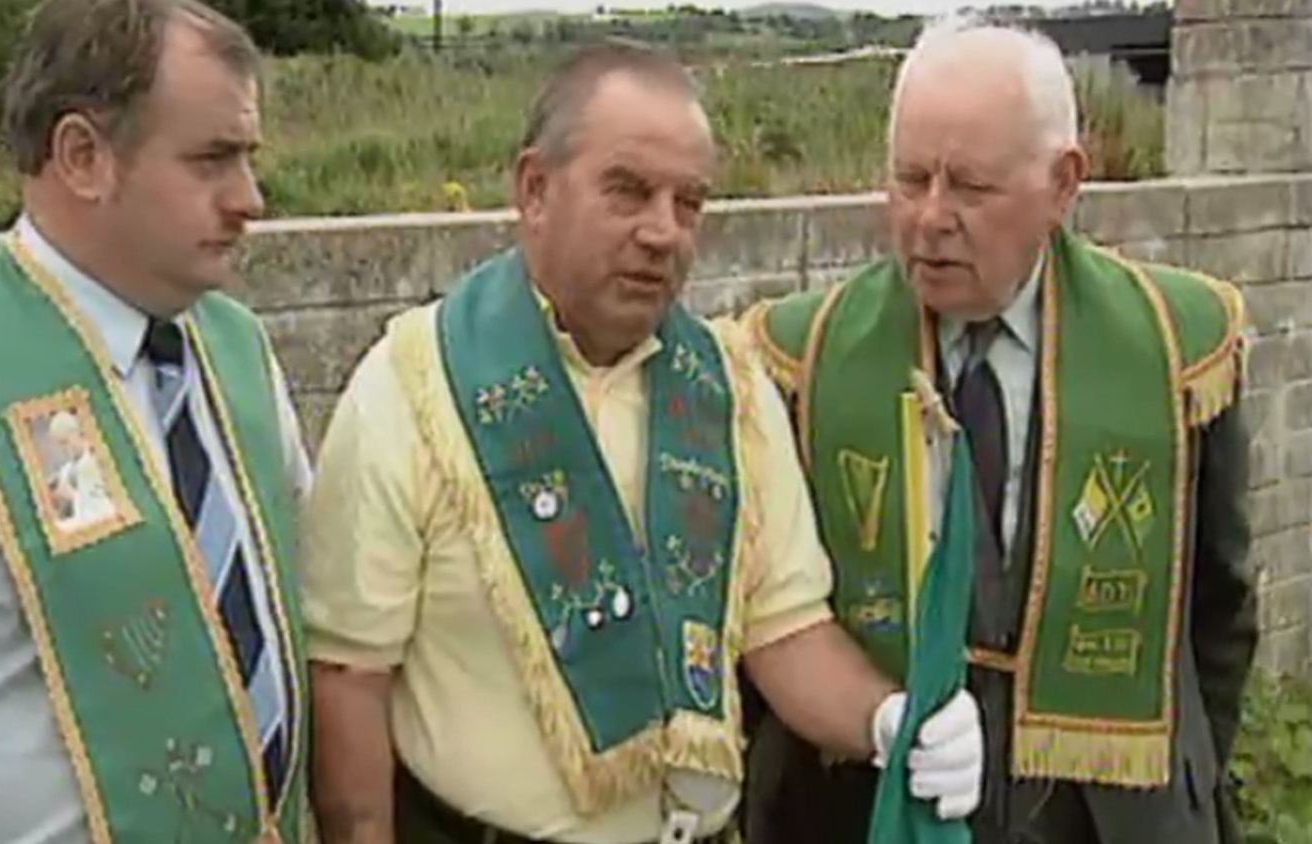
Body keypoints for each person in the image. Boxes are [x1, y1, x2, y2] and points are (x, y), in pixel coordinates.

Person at [301, 38, 983, 844]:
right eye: (628, 191)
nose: (663, 233)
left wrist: (887, 721)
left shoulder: (728, 389)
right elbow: (349, 679)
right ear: (535, 189)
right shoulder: (412, 388)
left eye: (687, 203)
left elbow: (785, 628)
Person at [739, 17, 1258, 844]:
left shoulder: (1175, 348)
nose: (931, 218)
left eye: (970, 187)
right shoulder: (802, 358)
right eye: (910, 180)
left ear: (1062, 184)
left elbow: (1218, 611)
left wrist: (1176, 795)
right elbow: (768, 617)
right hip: (859, 811)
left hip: (1107, 819)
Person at [0, 1, 314, 842]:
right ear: (84, 156)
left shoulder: (237, 354)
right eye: (212, 160)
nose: (250, 199)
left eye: (249, 158)